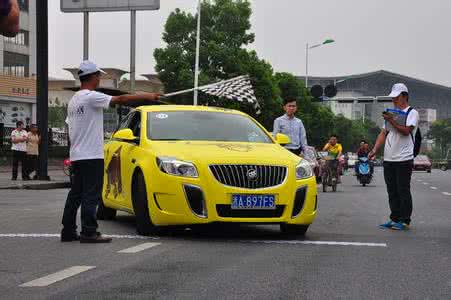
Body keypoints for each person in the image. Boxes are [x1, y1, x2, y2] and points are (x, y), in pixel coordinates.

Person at [61, 60, 160, 243]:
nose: (99, 78)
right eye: (98, 75)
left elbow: (69, 128)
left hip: (77, 155)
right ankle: (89, 232)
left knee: (75, 194)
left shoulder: (74, 101)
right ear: (92, 77)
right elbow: (120, 100)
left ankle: (68, 231)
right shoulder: (91, 96)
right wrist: (147, 96)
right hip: (91, 155)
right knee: (91, 195)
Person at [369, 83, 419, 231]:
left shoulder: (412, 112)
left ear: (404, 96)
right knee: (392, 190)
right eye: (393, 98)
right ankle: (394, 218)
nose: (394, 100)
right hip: (389, 158)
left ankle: (404, 221)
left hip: (404, 159)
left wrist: (391, 120)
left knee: (403, 189)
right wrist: (375, 149)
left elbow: (406, 131)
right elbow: (383, 133)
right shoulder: (392, 113)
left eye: (396, 97)